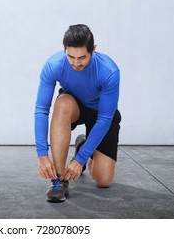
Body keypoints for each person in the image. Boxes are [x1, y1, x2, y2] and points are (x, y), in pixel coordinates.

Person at [34, 24, 121, 202]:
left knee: (103, 180)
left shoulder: (109, 71)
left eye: (82, 57)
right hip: (73, 106)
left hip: (101, 113)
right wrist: (42, 155)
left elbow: (105, 119)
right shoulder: (54, 65)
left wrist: (80, 159)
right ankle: (59, 180)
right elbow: (41, 110)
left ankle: (83, 147)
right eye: (70, 56)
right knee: (63, 103)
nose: (75, 63)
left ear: (93, 50)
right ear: (64, 50)